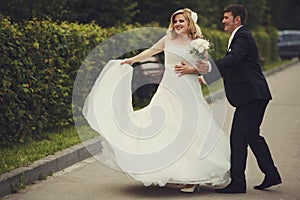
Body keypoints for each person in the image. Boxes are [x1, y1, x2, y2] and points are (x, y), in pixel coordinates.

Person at [83, 8, 230, 193]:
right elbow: (151, 51)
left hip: (188, 90)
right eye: (175, 21)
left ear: (189, 23)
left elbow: (205, 68)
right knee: (165, 127)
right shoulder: (168, 39)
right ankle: (176, 172)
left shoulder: (197, 43)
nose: (177, 24)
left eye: (181, 21)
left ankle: (192, 179)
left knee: (190, 128)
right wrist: (131, 60)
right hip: (168, 89)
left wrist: (192, 68)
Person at [176, 4, 282, 193]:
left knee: (238, 138)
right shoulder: (239, 37)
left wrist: (202, 68)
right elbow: (233, 67)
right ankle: (271, 174)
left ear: (237, 19)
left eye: (226, 17)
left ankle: (238, 183)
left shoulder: (242, 36)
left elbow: (233, 60)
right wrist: (205, 78)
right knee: (251, 136)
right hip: (254, 95)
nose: (223, 21)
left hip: (252, 96)